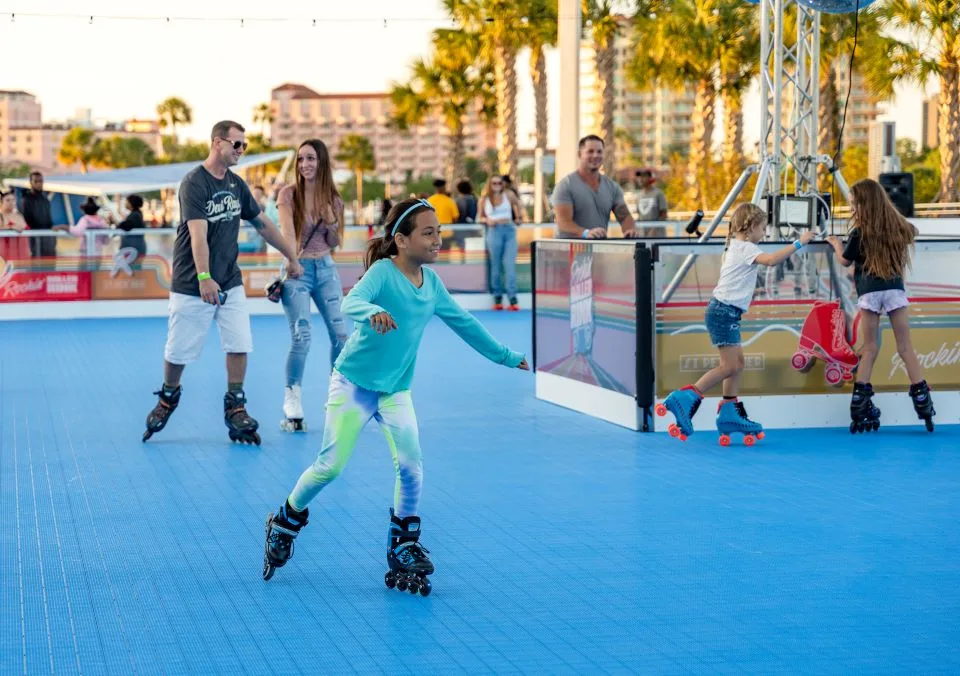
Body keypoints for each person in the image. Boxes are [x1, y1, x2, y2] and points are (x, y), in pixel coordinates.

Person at [261, 198, 529, 593]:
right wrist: (370, 312)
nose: (437, 239)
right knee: (330, 466)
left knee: (411, 465)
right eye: (428, 233)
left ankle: (403, 542)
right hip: (354, 385)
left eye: (438, 231)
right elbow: (351, 301)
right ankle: (284, 519)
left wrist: (506, 357)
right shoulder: (384, 273)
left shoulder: (432, 284)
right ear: (401, 240)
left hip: (395, 391)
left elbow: (466, 324)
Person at [142, 120, 304, 445]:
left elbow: (262, 223)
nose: (242, 150)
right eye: (237, 144)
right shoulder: (194, 183)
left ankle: (235, 406)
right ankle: (168, 396)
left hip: (230, 281)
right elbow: (197, 234)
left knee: (239, 343)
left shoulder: (236, 185)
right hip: (193, 283)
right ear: (218, 143)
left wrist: (292, 256)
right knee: (178, 352)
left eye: (244, 145)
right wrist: (204, 277)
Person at [658, 203, 815, 442]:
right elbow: (771, 260)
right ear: (751, 227)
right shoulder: (745, 248)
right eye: (762, 228)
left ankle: (729, 412)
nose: (764, 234)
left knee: (737, 363)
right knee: (729, 366)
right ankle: (684, 398)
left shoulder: (737, 247)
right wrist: (799, 242)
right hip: (723, 312)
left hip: (726, 312)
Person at [827, 178, 935, 433]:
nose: (853, 208)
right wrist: (891, 217)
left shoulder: (859, 231)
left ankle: (858, 401)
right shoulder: (897, 227)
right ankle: (922, 399)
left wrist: (835, 244)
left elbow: (844, 261)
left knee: (870, 348)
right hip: (894, 291)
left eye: (855, 204)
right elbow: (913, 231)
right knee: (905, 347)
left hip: (870, 294)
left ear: (863, 204)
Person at [277, 139, 351, 432]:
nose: (305, 164)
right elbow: (286, 233)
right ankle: (292, 398)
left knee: (341, 335)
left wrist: (332, 221)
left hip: (326, 269)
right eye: (301, 159)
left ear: (322, 163)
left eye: (311, 158)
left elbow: (335, 243)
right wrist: (292, 261)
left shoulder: (334, 198)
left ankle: (337, 396)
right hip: (298, 269)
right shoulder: (288, 195)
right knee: (301, 336)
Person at [552, 135, 639, 239]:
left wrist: (630, 230)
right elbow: (563, 223)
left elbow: (624, 216)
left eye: (599, 152)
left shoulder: (612, 187)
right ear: (580, 154)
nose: (595, 155)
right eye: (590, 151)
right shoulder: (565, 185)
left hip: (597, 249)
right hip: (569, 251)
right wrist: (585, 233)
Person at [478, 174, 519, 311]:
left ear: (503, 184)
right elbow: (480, 218)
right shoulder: (484, 199)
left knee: (509, 264)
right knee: (495, 266)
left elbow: (517, 209)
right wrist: (487, 221)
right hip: (494, 231)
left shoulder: (509, 195)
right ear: (489, 184)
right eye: (494, 183)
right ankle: (497, 298)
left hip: (509, 231)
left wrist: (518, 218)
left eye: (499, 183)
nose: (497, 185)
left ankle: (513, 299)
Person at [20, 172, 56, 258]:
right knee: (37, 263)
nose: (39, 184)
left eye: (41, 181)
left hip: (48, 236)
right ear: (31, 182)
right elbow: (26, 219)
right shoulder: (26, 199)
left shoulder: (44, 198)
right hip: (35, 237)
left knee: (50, 262)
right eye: (36, 181)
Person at [634, 169, 669, 236]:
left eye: (644, 176)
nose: (641, 179)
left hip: (657, 237)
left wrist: (654, 229)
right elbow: (639, 216)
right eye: (639, 177)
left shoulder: (659, 194)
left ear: (650, 178)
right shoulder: (638, 196)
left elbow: (664, 215)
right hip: (643, 236)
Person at [116, 195, 148, 265]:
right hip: (134, 248)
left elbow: (126, 226)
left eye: (127, 202)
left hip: (134, 249)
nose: (125, 204)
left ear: (131, 203)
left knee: (134, 271)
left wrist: (118, 224)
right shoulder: (136, 214)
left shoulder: (135, 215)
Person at [0, 190, 30, 261]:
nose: (11, 202)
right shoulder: (1, 216)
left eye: (13, 200)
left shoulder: (19, 215)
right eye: (8, 200)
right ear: (1, 202)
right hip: (8, 258)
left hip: (23, 255)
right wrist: (11, 227)